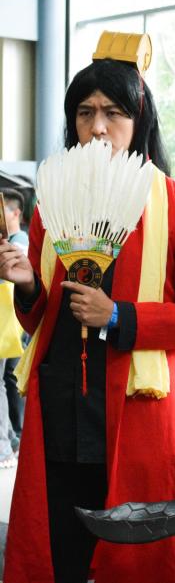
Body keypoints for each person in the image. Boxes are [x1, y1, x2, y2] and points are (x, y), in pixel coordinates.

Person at [0, 35, 175, 583]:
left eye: (113, 113)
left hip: (139, 413)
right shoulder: (51, 205)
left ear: (139, 119)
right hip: (59, 408)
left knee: (142, 557)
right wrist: (27, 287)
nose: (97, 127)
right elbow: (42, 319)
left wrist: (119, 316)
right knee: (58, 550)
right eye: (84, 113)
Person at [0, 189, 28, 465]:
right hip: (14, 324)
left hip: (10, 323)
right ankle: (15, 439)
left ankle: (7, 445)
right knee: (11, 381)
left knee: (8, 381)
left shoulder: (18, 244)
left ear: (15, 213)